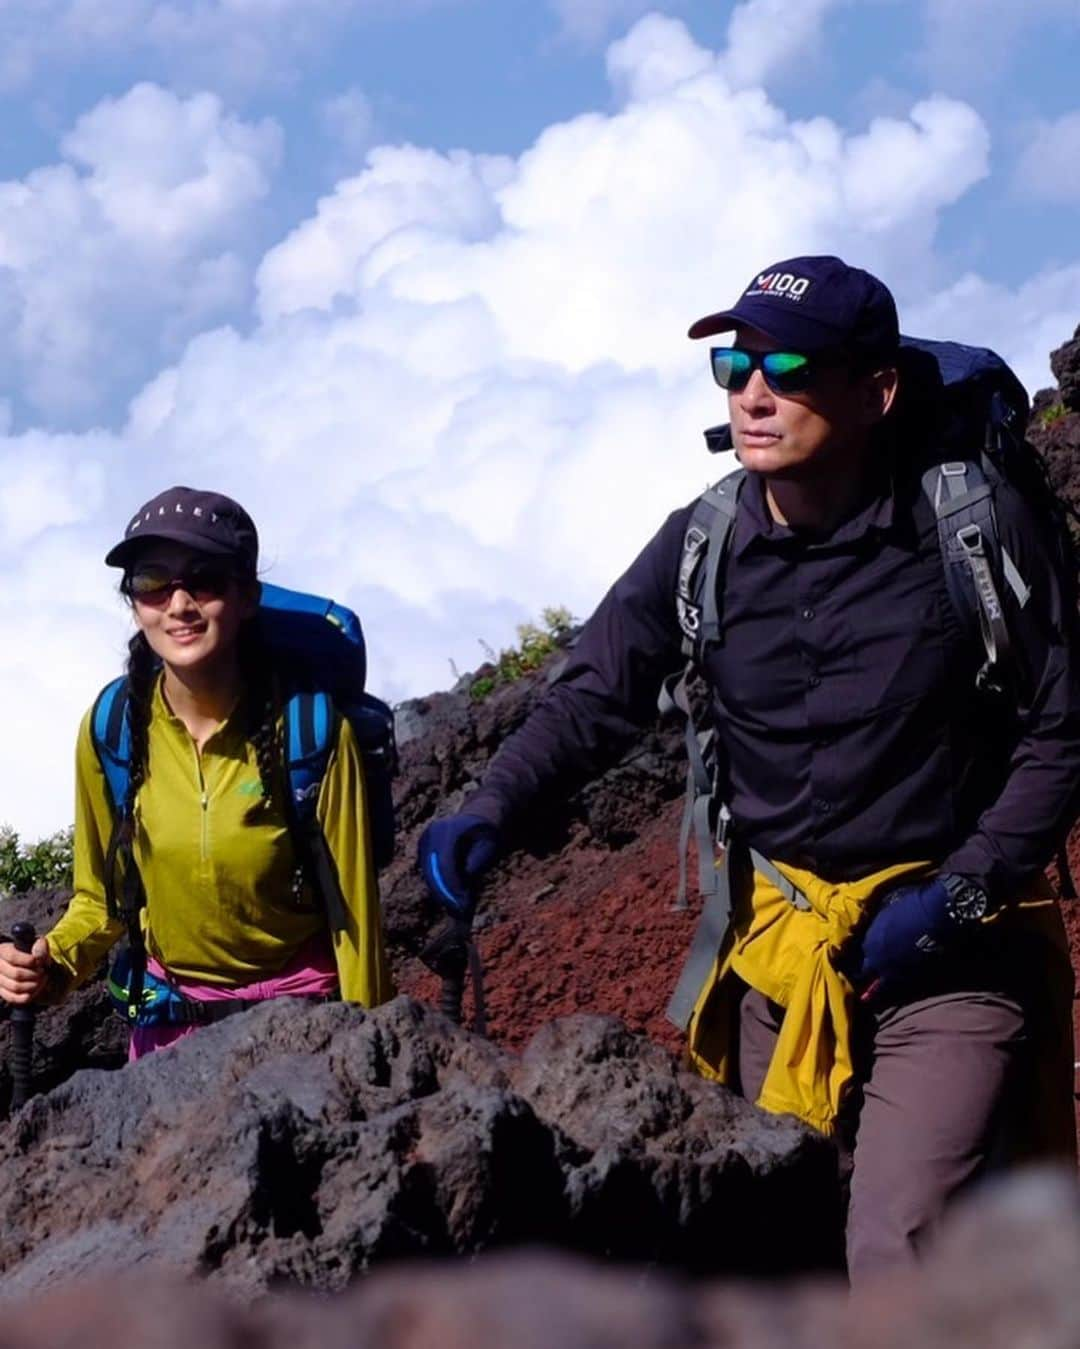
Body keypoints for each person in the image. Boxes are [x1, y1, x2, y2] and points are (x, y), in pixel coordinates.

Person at [416, 256, 1080, 1281]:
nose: (752, 391)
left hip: (949, 949)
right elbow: (595, 692)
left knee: (893, 1242)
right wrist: (489, 810)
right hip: (778, 955)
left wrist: (963, 889)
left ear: (877, 391)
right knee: (786, 1246)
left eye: (788, 366)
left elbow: (1062, 724)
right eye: (734, 364)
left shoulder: (965, 529)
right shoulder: (708, 540)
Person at [0, 486, 392, 1056]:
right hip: (166, 1036)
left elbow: (355, 921)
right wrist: (49, 963)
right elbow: (102, 901)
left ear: (247, 597)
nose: (178, 604)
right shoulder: (114, 729)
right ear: (133, 603)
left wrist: (375, 1052)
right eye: (153, 582)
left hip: (303, 1031)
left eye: (204, 579)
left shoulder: (312, 732)